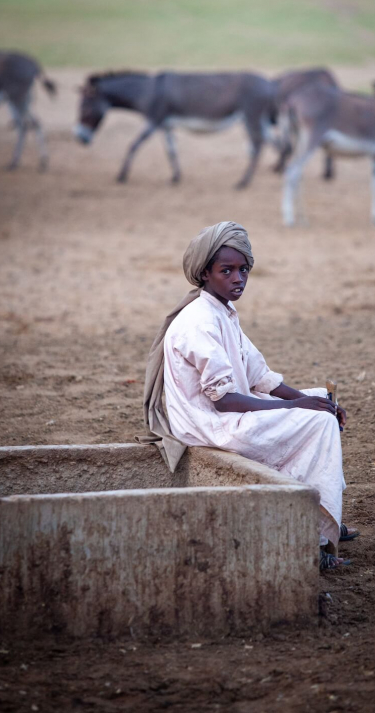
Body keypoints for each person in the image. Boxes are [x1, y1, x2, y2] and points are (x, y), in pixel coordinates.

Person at [140, 221, 357, 570]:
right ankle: (316, 541)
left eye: (243, 270)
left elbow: (260, 377)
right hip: (208, 424)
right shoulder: (199, 321)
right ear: (205, 273)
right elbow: (223, 400)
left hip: (226, 413)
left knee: (320, 404)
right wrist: (302, 407)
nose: (238, 278)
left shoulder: (223, 311)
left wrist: (309, 399)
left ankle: (320, 516)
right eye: (227, 271)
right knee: (316, 423)